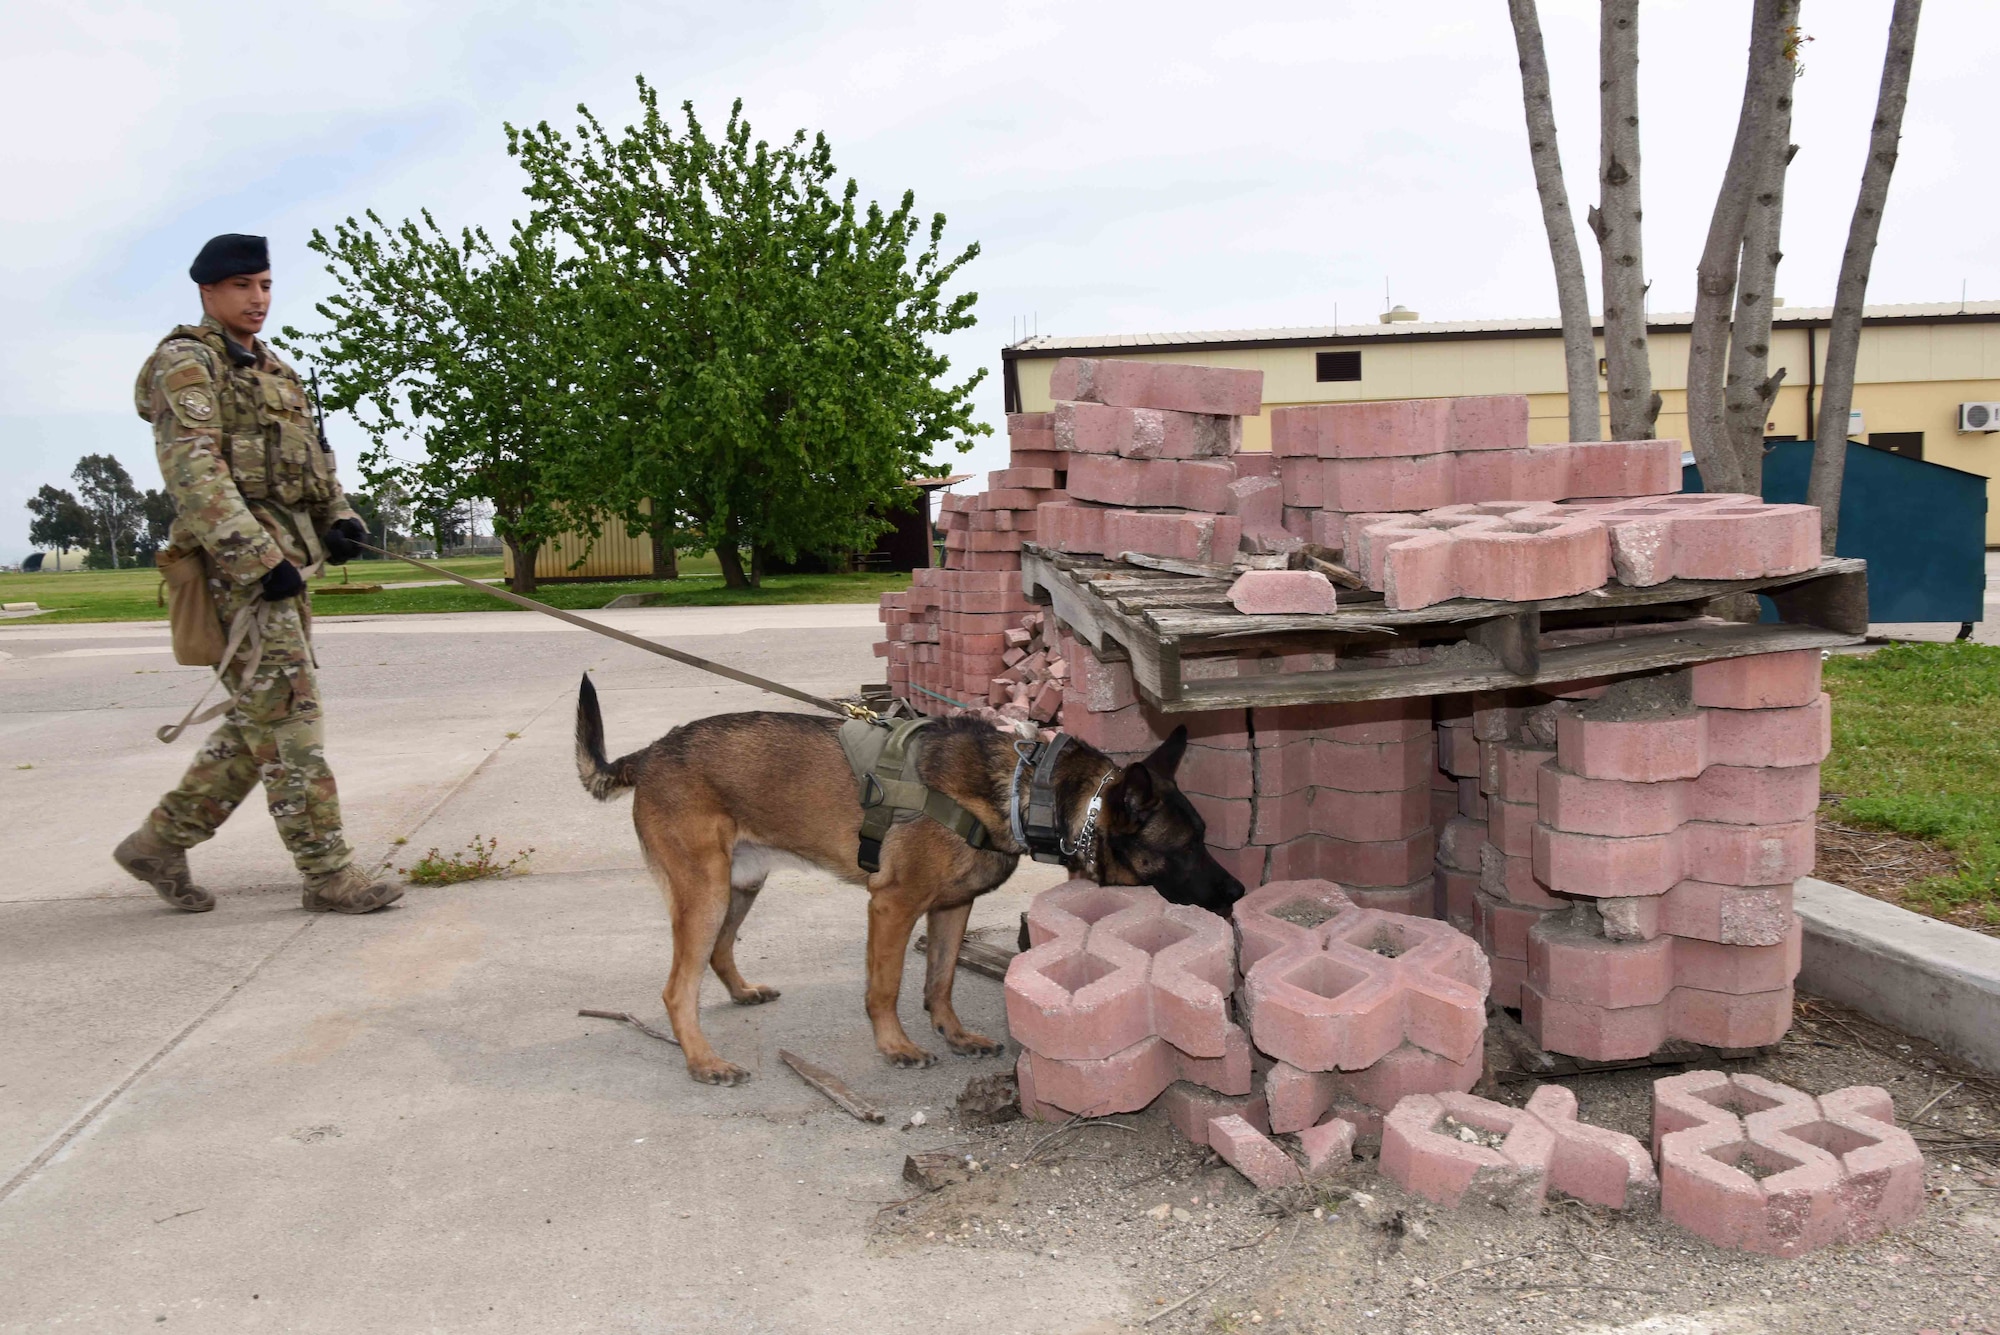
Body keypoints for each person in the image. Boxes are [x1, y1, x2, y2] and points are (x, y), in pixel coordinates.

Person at [113, 234, 400, 915]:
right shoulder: (184, 363)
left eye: (266, 284)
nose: (258, 298)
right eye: (243, 286)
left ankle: (157, 842)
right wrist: (259, 560)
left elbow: (316, 465)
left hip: (289, 572)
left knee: (259, 724)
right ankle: (328, 873)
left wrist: (341, 517)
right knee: (293, 722)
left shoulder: (278, 370)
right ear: (208, 291)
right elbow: (195, 475)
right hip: (239, 578)